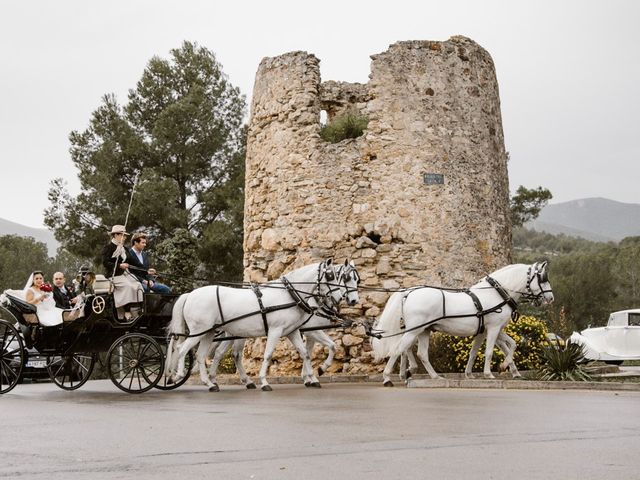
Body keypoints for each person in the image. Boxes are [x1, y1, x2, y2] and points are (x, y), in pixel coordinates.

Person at [102, 225, 144, 319]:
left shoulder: (124, 249)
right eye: (123, 235)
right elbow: (105, 263)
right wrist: (119, 265)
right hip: (114, 275)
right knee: (128, 286)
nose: (125, 237)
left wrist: (147, 270)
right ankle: (126, 311)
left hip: (126, 274)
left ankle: (137, 309)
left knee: (137, 285)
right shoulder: (108, 247)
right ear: (116, 235)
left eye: (125, 235)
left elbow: (134, 262)